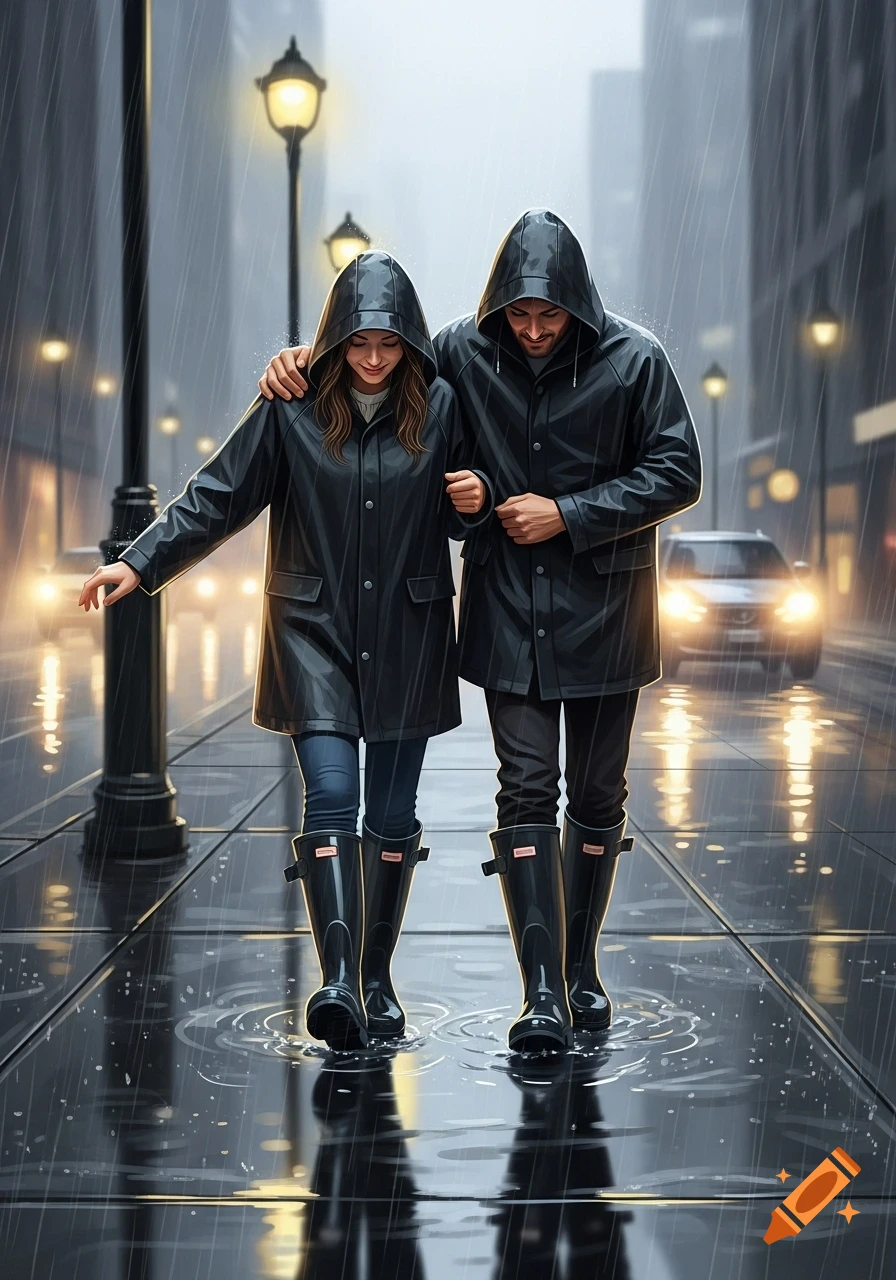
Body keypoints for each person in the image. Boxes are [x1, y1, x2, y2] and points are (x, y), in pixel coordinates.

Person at [259, 209, 702, 1055]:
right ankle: (540, 995)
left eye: (550, 317)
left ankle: (581, 972)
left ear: (578, 306)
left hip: (607, 612)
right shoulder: (464, 349)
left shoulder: (637, 360)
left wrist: (569, 513)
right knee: (526, 789)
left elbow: (677, 470)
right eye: (520, 317)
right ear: (499, 309)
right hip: (506, 611)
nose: (533, 332)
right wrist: (297, 361)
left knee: (599, 796)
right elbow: (388, 373)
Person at [79, 251, 492, 1053]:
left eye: (389, 344)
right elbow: (219, 493)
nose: (374, 360)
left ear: (408, 341)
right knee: (331, 796)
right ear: (334, 340)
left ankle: (376, 978)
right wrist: (138, 558)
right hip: (314, 632)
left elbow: (467, 509)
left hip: (408, 634)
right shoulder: (292, 406)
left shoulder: (441, 406)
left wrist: (472, 504)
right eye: (359, 343)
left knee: (395, 814)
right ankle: (339, 980)